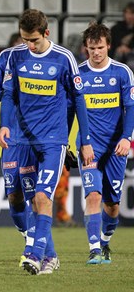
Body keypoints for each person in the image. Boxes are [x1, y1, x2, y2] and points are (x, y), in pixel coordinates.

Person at [0, 9, 94, 275]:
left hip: (53, 141)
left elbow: (79, 100)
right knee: (30, 200)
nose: (29, 45)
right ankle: (50, 256)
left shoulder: (64, 59)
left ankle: (34, 254)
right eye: (25, 39)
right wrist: (4, 125)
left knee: (42, 196)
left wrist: (84, 141)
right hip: (23, 140)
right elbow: (7, 94)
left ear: (46, 33)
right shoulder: (15, 56)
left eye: (34, 40)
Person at [77, 22, 134, 265]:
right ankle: (94, 250)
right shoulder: (78, 74)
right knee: (93, 195)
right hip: (89, 146)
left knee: (112, 204)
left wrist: (126, 138)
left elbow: (130, 108)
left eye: (100, 47)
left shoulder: (122, 73)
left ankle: (105, 239)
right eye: (92, 48)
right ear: (85, 48)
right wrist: (74, 143)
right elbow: (71, 112)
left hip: (116, 148)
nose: (96, 52)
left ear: (108, 46)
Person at [0, 32, 33, 262]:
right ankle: (27, 234)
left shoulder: (42, 60)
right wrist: (10, 88)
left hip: (35, 136)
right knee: (14, 194)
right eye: (22, 43)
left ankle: (35, 243)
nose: (26, 47)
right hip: (11, 137)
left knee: (35, 194)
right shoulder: (5, 58)